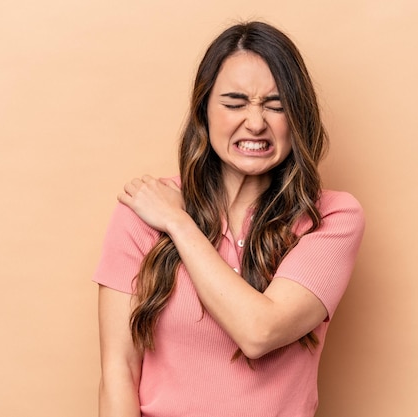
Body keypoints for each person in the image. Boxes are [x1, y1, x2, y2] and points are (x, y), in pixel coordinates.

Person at [93, 21, 365, 417]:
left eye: (276, 105)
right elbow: (118, 370)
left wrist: (179, 224)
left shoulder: (332, 218)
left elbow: (260, 331)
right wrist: (169, 214)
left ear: (298, 116)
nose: (255, 123)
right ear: (203, 109)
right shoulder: (143, 209)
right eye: (235, 103)